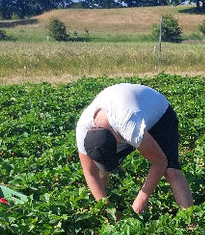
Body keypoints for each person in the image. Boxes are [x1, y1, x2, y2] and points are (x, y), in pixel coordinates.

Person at [76, 83, 194, 213]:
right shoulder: (83, 131)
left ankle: (190, 221)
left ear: (118, 141)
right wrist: (106, 209)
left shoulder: (128, 126)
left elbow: (160, 162)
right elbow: (90, 173)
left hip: (158, 113)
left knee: (171, 171)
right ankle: (103, 213)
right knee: (102, 168)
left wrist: (143, 197)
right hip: (126, 109)